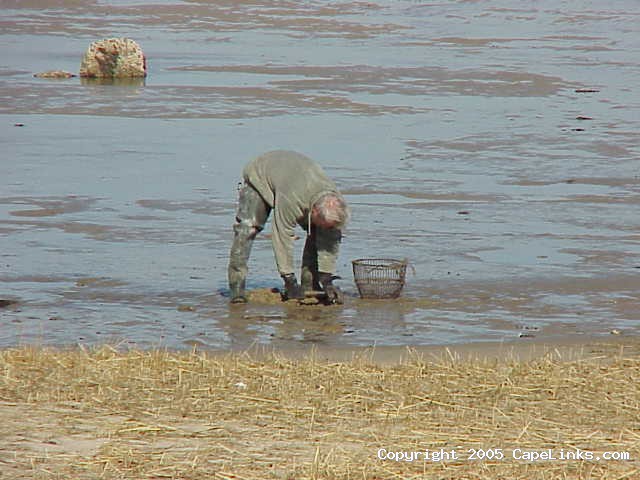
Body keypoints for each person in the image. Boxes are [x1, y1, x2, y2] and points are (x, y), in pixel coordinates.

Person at [228, 150, 349, 304]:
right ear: (314, 211)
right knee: (247, 229)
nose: (326, 228)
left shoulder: (336, 203)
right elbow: (282, 235)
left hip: (296, 181)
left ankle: (309, 284)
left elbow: (330, 240)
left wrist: (326, 278)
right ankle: (236, 288)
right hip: (261, 176)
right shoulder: (293, 200)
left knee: (319, 232)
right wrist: (289, 279)